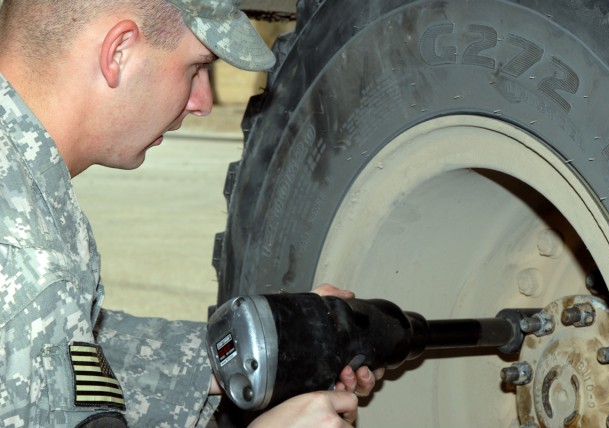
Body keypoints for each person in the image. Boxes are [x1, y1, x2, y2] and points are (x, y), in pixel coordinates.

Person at [0, 0, 382, 426]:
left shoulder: (22, 189)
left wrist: (262, 342)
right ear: (118, 52)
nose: (202, 102)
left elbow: (59, 359)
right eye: (196, 68)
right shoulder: (26, 255)